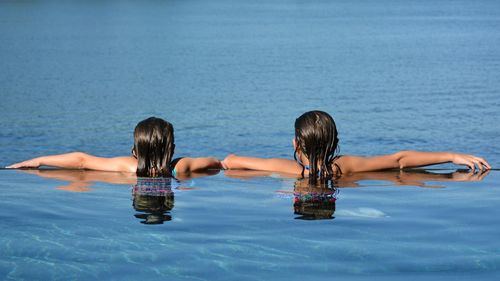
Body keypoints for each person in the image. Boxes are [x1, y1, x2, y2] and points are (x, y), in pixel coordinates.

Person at [222, 110, 491, 183]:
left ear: (295, 143)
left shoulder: (290, 169)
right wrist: (451, 155)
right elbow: (399, 160)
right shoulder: (344, 167)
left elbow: (231, 161)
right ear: (334, 142)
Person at [7, 117, 222, 177]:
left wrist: (37, 161)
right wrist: (220, 163)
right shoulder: (180, 167)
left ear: (134, 151)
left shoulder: (128, 167)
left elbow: (81, 160)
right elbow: (216, 163)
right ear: (172, 148)